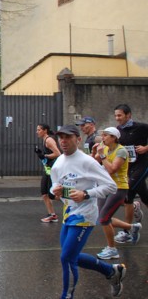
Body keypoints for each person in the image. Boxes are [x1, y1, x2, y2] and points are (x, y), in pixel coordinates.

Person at [50, 125, 125, 298]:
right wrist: (56, 190)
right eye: (61, 137)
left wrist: (86, 194)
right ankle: (112, 272)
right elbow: (55, 183)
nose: (63, 141)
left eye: (68, 137)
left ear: (78, 139)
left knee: (67, 258)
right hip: (69, 213)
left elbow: (111, 186)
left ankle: (66, 296)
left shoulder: (87, 161)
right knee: (70, 255)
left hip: (85, 215)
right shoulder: (59, 162)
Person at [92, 127, 141, 260]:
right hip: (105, 187)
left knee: (103, 219)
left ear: (114, 137)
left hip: (118, 188)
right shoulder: (105, 148)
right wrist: (94, 152)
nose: (103, 138)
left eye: (106, 135)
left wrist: (102, 155)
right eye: (102, 135)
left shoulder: (121, 151)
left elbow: (112, 169)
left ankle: (112, 249)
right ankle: (132, 227)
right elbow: (94, 164)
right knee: (102, 218)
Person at [113, 104, 148, 244]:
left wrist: (146, 148)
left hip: (142, 165)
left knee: (127, 193)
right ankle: (128, 229)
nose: (117, 118)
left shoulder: (141, 127)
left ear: (128, 115)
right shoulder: (118, 130)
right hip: (128, 167)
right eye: (116, 115)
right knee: (145, 197)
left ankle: (127, 231)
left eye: (120, 115)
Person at [35, 123, 62, 223]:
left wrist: (45, 156)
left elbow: (58, 154)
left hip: (52, 170)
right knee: (44, 193)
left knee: (52, 195)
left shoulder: (49, 140)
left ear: (45, 130)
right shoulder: (44, 140)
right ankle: (52, 215)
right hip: (47, 169)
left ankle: (71, 199)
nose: (37, 132)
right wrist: (40, 154)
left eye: (39, 130)